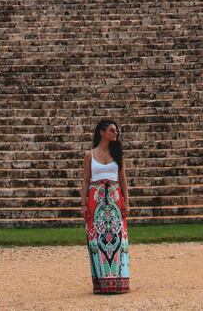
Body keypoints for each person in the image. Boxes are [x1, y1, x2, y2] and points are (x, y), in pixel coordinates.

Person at [81, 119, 130, 294]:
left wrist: (127, 202)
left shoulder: (119, 155)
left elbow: (123, 180)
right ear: (102, 132)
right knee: (97, 240)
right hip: (96, 201)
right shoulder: (89, 155)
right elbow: (86, 180)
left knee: (118, 239)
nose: (115, 133)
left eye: (116, 130)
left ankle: (119, 281)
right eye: (111, 130)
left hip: (115, 200)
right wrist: (83, 204)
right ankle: (101, 283)